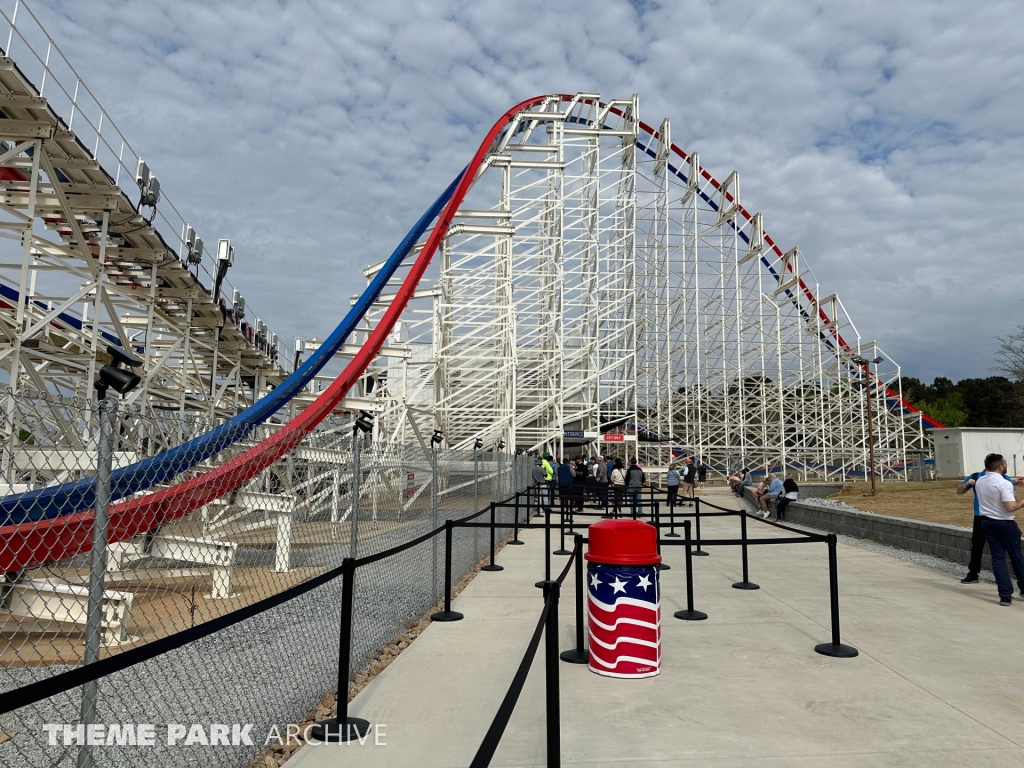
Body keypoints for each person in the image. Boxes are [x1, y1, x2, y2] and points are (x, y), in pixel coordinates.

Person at [958, 459, 1024, 585]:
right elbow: (959, 490)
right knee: (978, 546)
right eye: (1004, 463)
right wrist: (967, 485)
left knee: (999, 555)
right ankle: (973, 573)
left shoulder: (1005, 479)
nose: (1006, 465)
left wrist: (1011, 487)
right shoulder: (977, 477)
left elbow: (1013, 495)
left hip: (994, 519)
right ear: (998, 466)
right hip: (982, 517)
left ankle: (1006, 587)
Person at [973, 453, 1024, 605]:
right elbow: (1010, 507)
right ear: (1000, 466)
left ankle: (1005, 596)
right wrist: (1021, 503)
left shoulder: (980, 481)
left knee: (998, 559)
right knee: (1016, 557)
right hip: (1005, 524)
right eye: (1005, 463)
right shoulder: (1004, 483)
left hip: (986, 523)